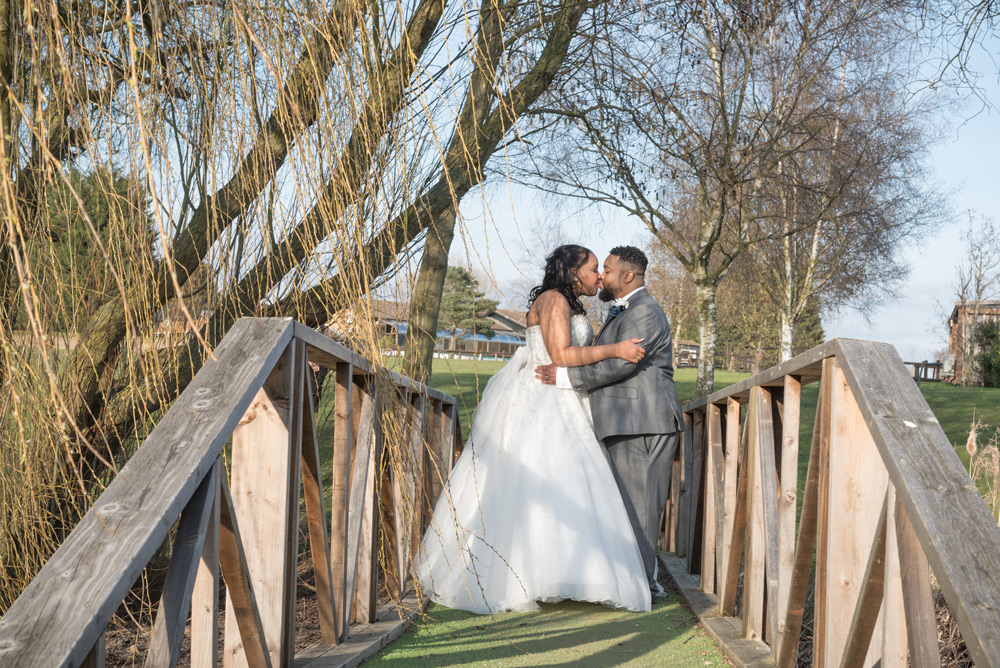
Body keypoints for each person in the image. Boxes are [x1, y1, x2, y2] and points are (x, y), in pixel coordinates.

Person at [416, 244, 652, 614]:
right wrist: (616, 349)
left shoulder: (569, 302)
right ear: (574, 272)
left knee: (570, 484)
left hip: (564, 397)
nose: (598, 276)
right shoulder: (554, 299)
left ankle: (566, 572)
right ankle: (525, 576)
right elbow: (560, 356)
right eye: (593, 269)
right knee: (542, 481)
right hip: (542, 400)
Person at [535, 246, 684, 595]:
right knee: (627, 506)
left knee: (641, 507)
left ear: (628, 276)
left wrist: (565, 379)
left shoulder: (645, 311)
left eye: (608, 269)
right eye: (598, 268)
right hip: (625, 419)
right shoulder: (621, 311)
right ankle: (632, 579)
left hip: (643, 420)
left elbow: (621, 364)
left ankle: (643, 584)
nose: (602, 275)